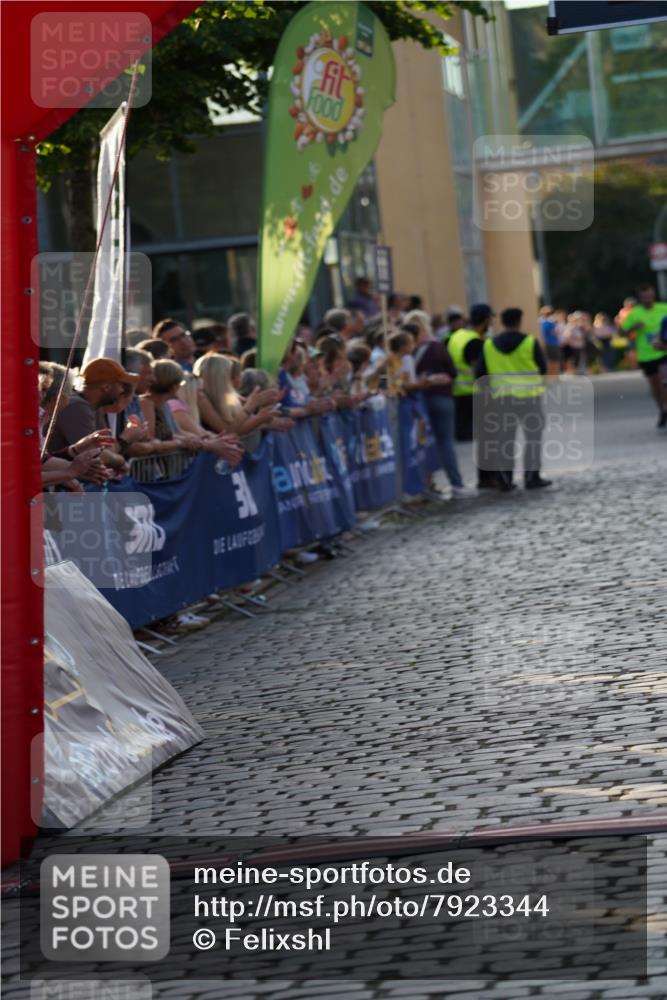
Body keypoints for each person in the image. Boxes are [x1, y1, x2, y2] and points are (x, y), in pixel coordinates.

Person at [475, 307, 551, 491]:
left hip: (502, 399)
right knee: (533, 439)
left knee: (504, 440)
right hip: (530, 398)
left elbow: (480, 373)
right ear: (519, 321)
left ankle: (504, 480)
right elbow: (542, 367)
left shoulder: (489, 345)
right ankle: (532, 477)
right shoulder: (529, 342)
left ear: (502, 322)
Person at [407, 310, 477, 499]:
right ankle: (456, 484)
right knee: (445, 442)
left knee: (422, 444)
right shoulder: (436, 347)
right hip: (441, 398)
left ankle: (426, 484)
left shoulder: (407, 349)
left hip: (417, 400)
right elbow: (452, 371)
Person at [47, 357, 139, 458]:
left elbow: (106, 449)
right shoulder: (77, 407)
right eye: (121, 386)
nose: (122, 390)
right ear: (106, 387)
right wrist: (125, 440)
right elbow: (96, 455)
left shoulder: (94, 406)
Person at [620, 285, 667, 426]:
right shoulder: (634, 313)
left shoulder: (664, 308)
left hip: (663, 351)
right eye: (644, 296)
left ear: (653, 295)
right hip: (646, 355)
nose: (647, 299)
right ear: (640, 298)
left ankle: (666, 406)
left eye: (649, 295)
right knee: (656, 385)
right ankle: (662, 409)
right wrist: (633, 328)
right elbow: (621, 332)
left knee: (664, 380)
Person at [447, 303, 493, 443]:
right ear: (486, 320)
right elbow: (479, 369)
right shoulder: (474, 342)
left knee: (463, 435)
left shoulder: (457, 335)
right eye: (490, 320)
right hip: (472, 392)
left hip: (457, 390)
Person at [539, 305, 561, 381]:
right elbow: (555, 332)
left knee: (550, 361)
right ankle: (554, 377)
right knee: (554, 361)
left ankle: (551, 378)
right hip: (552, 344)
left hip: (547, 344)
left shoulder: (540, 322)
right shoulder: (549, 323)